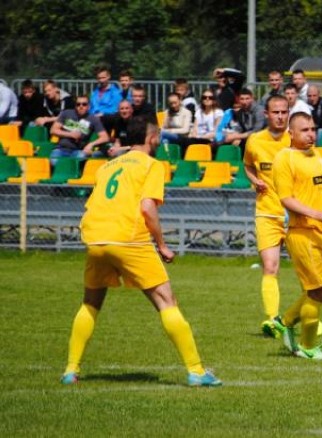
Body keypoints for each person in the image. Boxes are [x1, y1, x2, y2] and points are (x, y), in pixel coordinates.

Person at [60, 122, 221, 387]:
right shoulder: (151, 165)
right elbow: (147, 208)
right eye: (157, 135)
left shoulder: (107, 166)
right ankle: (196, 371)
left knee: (91, 302)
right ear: (152, 138)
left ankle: (70, 370)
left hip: (96, 236)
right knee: (166, 301)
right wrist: (162, 244)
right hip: (128, 237)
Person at [272, 113, 322, 360]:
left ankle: (284, 321)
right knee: (317, 292)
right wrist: (317, 213)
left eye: (313, 129)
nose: (311, 134)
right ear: (291, 134)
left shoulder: (316, 155)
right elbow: (286, 199)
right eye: (305, 130)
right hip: (303, 233)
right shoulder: (284, 159)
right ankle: (308, 347)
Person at [243, 95, 292, 337]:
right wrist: (255, 180)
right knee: (270, 267)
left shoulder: (296, 139)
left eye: (285, 112)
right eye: (276, 112)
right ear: (267, 114)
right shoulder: (255, 141)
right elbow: (248, 165)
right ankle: (273, 320)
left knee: (309, 271)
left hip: (295, 215)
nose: (281, 117)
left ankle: (299, 317)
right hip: (267, 213)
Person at [49, 95, 110, 164]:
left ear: (88, 106)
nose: (81, 106)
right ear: (75, 106)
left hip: (78, 150)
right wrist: (70, 134)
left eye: (84, 104)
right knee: (54, 161)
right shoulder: (66, 113)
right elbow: (53, 130)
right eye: (78, 104)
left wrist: (91, 144)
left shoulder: (93, 119)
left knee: (80, 157)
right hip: (61, 149)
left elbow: (105, 137)